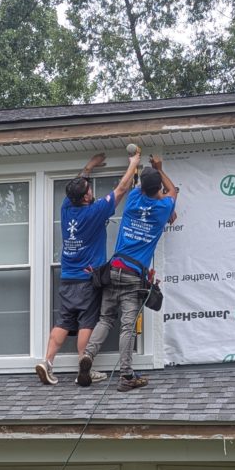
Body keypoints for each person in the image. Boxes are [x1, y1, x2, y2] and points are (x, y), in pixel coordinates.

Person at [36, 149, 141, 386]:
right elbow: (122, 189)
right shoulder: (94, 211)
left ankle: (47, 362)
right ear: (85, 197)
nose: (91, 190)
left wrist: (90, 166)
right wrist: (133, 164)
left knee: (63, 321)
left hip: (67, 277)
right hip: (86, 279)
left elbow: (79, 184)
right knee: (87, 323)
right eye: (89, 189)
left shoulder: (66, 207)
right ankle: (84, 368)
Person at [76, 155, 178, 392]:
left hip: (114, 270)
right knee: (127, 326)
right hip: (133, 276)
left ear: (141, 187)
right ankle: (126, 376)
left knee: (105, 319)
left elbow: (136, 186)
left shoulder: (132, 199)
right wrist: (160, 168)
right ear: (157, 189)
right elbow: (172, 190)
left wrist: (137, 165)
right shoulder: (164, 207)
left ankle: (87, 356)